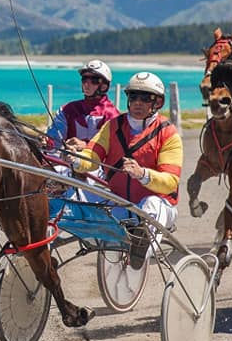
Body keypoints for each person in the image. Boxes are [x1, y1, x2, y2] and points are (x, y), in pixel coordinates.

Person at [65, 72, 183, 269]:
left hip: (159, 209)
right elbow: (92, 156)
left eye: (145, 98)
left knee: (151, 203)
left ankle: (140, 249)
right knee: (74, 193)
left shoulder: (168, 133)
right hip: (121, 203)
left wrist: (143, 174)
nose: (138, 102)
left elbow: (171, 182)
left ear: (158, 102)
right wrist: (77, 160)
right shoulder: (113, 126)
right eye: (133, 96)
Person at [47, 59, 120, 146]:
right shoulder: (67, 109)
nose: (86, 84)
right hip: (66, 155)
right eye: (84, 79)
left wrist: (85, 146)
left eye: (94, 80)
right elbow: (54, 141)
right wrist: (46, 142)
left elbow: (114, 147)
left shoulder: (113, 115)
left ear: (104, 86)